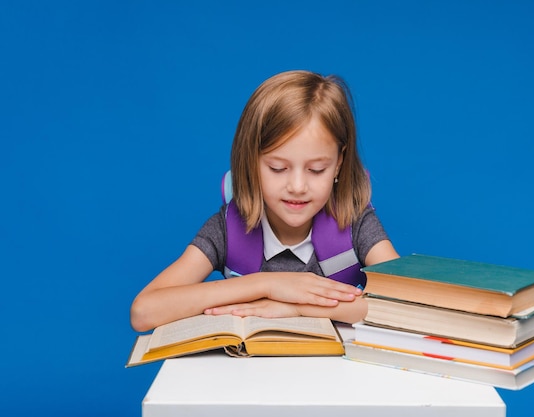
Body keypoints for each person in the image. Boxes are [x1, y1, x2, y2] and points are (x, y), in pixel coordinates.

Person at [130, 70, 399, 332]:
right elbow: (143, 312)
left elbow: (411, 308)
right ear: (251, 163)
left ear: (339, 163)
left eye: (317, 169)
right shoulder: (226, 231)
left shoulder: (356, 224)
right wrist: (266, 285)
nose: (297, 187)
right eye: (277, 168)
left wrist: (299, 307)